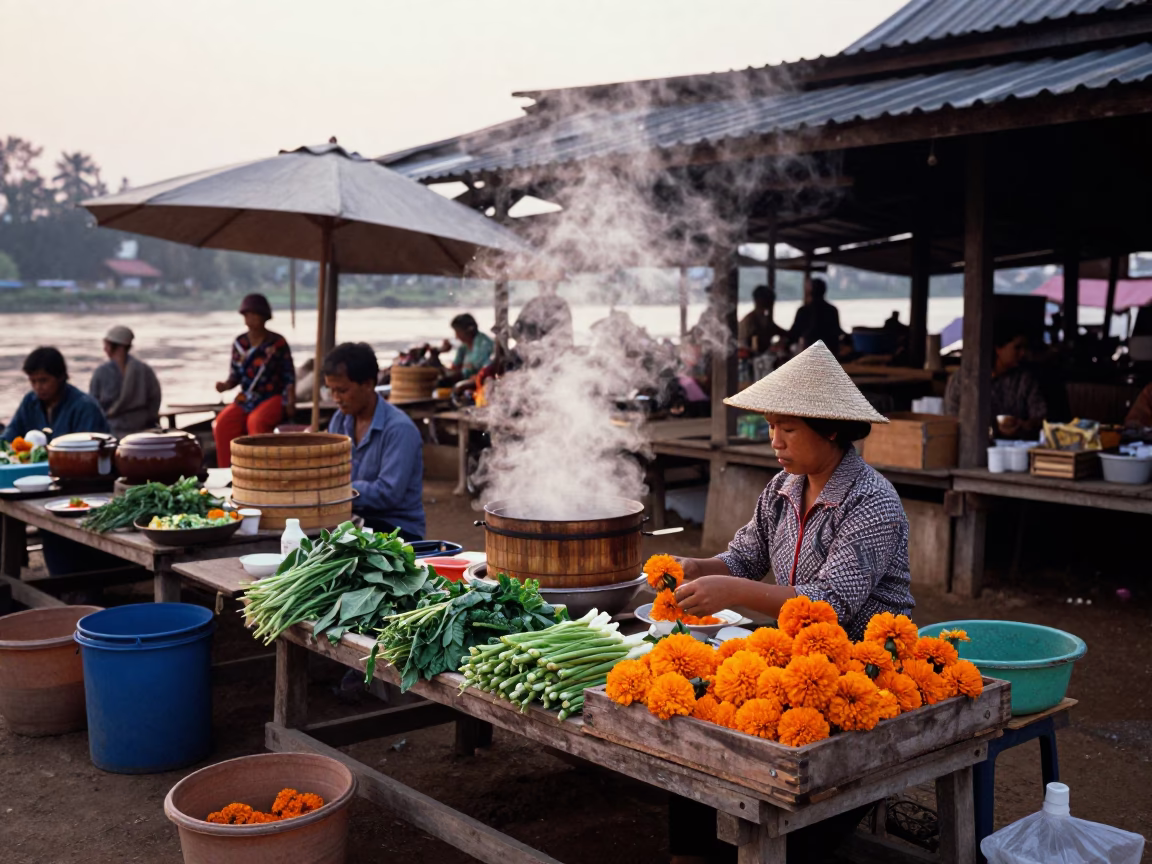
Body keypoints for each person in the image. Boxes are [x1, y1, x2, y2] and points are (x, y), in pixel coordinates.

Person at [667, 340, 914, 864]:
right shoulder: (782, 487)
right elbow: (743, 557)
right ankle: (693, 848)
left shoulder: (872, 502)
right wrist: (698, 569)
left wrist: (731, 593)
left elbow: (831, 603)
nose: (773, 439)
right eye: (771, 425)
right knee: (700, 722)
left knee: (800, 783)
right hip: (796, 651)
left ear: (831, 430)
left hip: (862, 660)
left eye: (787, 428)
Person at [324, 342, 425, 541]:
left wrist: (337, 491)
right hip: (357, 520)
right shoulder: (339, 419)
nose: (336, 398)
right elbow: (329, 471)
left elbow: (388, 493)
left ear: (368, 384)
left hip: (398, 529)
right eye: (331, 390)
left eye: (342, 391)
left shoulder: (399, 429)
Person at [212, 294, 296, 468]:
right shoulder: (239, 344)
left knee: (256, 421)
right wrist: (225, 386)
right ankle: (228, 472)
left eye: (255, 314)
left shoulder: (277, 343)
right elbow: (235, 376)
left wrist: (290, 401)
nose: (251, 319)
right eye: (247, 315)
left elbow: (289, 375)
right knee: (222, 423)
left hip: (272, 396)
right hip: (247, 398)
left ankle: (262, 471)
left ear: (264, 317)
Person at [943, 318, 1047, 438]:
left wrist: (1022, 425)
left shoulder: (1024, 380)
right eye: (1017, 348)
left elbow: (1040, 418)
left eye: (1024, 348)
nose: (1023, 353)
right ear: (998, 348)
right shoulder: (964, 380)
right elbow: (951, 419)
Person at [4, 347, 109, 442]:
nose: (38, 387)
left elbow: (88, 450)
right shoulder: (30, 401)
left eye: (43, 380)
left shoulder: (85, 407)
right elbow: (11, 433)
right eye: (33, 381)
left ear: (60, 377)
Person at [88, 325, 163, 439]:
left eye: (107, 345)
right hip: (142, 430)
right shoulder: (144, 369)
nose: (105, 349)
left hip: (112, 432)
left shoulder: (101, 372)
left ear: (119, 347)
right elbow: (155, 400)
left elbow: (93, 405)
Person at [788, 277, 843, 351]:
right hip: (830, 352)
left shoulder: (803, 310)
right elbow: (837, 332)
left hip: (809, 352)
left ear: (808, 292)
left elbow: (794, 334)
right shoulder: (832, 310)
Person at [439, 313, 493, 386]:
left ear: (468, 330)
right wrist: (440, 351)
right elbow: (455, 367)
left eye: (458, 332)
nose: (456, 336)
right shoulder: (463, 347)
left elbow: (483, 371)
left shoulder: (484, 344)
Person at [739, 284, 787, 355]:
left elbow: (784, 334)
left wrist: (777, 345)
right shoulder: (748, 321)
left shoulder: (767, 320)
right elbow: (741, 344)